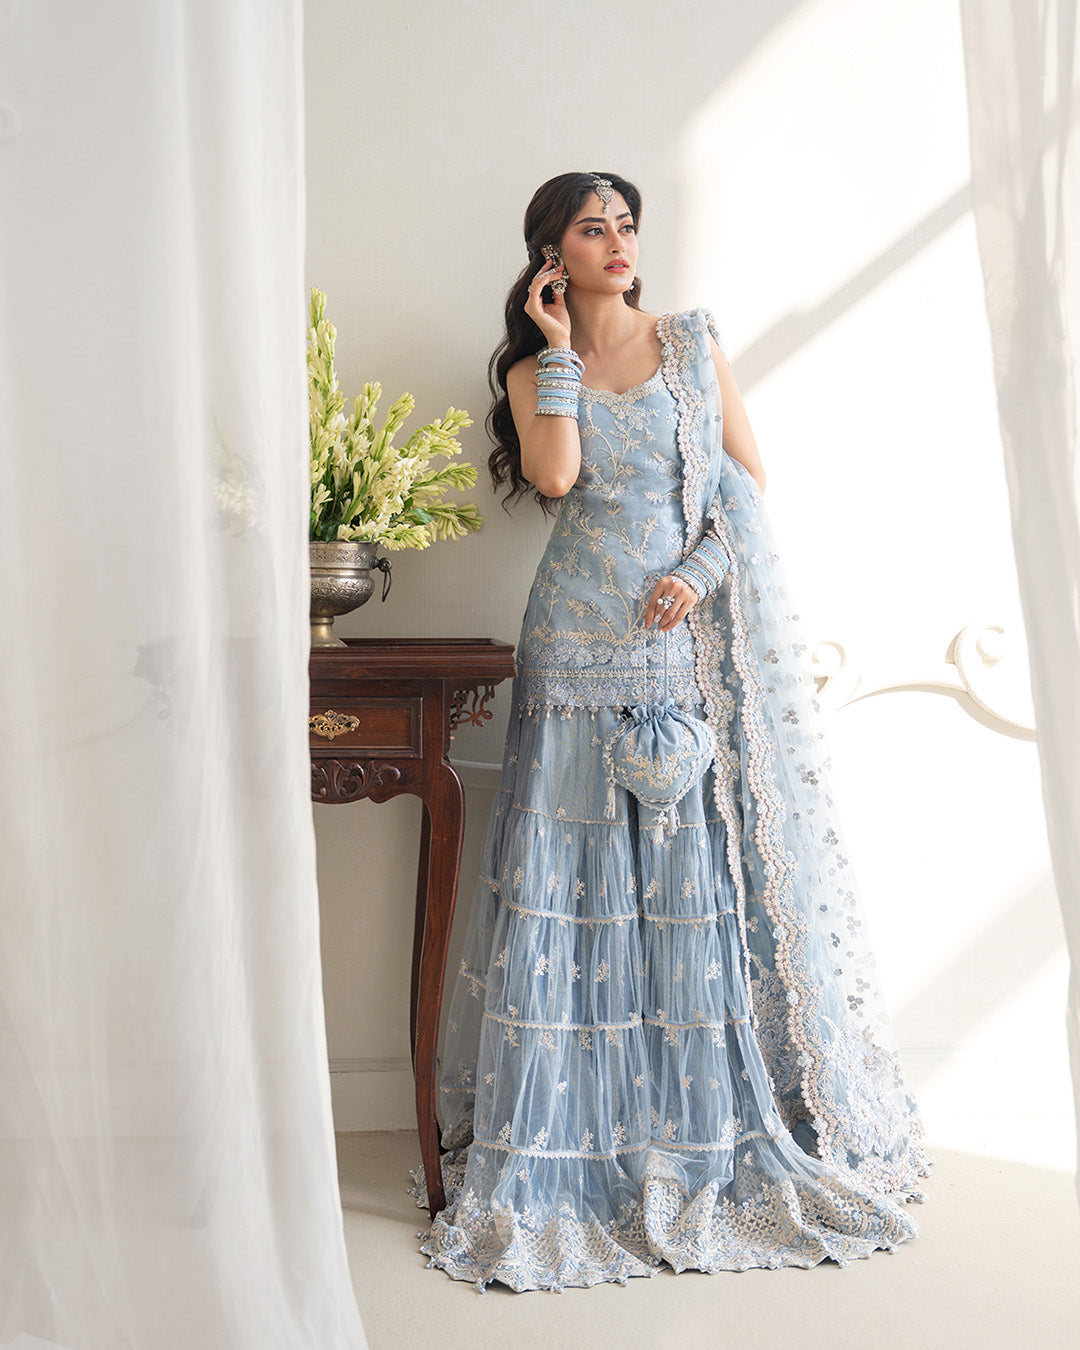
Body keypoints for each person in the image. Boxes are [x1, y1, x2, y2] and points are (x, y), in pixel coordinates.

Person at [418, 171, 931, 1292]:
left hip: (670, 646)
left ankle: (692, 1133)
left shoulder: (692, 344)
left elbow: (746, 484)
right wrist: (558, 348)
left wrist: (698, 574)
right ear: (551, 255)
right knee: (569, 880)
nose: (619, 243)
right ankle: (568, 1142)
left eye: (627, 225)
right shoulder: (531, 370)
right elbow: (557, 476)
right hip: (570, 644)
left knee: (682, 878)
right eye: (591, 229)